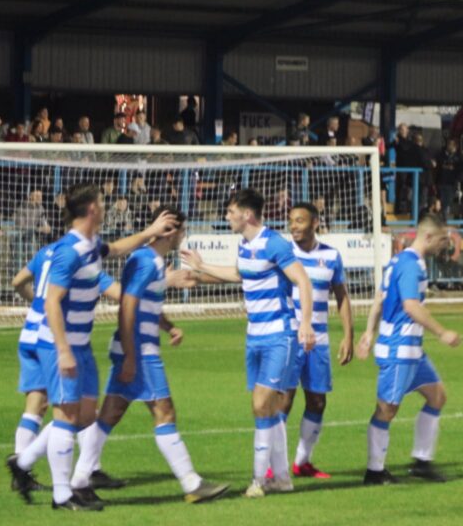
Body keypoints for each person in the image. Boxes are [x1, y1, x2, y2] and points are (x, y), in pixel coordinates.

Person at [6, 184, 181, 510]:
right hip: (60, 344)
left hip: (81, 344)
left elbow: (115, 248)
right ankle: (63, 495)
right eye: (101, 202)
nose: (104, 206)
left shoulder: (89, 245)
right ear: (91, 210)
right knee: (66, 414)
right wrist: (62, 349)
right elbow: (52, 303)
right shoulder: (69, 251)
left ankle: (23, 461)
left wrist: (150, 231)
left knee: (85, 415)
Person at [69, 207, 230, 504]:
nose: (183, 235)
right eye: (181, 230)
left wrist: (168, 327)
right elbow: (128, 306)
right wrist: (132, 356)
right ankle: (192, 483)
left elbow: (145, 305)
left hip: (132, 348)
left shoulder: (150, 260)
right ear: (171, 231)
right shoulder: (146, 261)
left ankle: (79, 480)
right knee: (164, 413)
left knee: (109, 415)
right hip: (140, 352)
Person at [180, 189, 315, 498]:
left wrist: (305, 323)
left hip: (280, 336)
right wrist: (201, 270)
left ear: (247, 215)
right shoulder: (244, 245)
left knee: (259, 405)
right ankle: (281, 478)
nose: (226, 216)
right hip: (254, 336)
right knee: (267, 408)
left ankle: (259, 480)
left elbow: (302, 281)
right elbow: (240, 275)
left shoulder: (275, 243)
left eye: (230, 212)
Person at [356, 213, 461, 485]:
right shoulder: (411, 265)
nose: (443, 245)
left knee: (437, 396)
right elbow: (411, 306)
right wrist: (442, 332)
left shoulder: (400, 261)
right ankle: (374, 471)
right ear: (427, 237)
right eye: (441, 240)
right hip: (399, 348)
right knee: (387, 409)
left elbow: (379, 300)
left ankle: (422, 462)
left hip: (411, 349)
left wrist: (369, 331)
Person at [7, 251, 121, 495]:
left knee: (37, 404)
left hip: (30, 332)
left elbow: (17, 281)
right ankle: (80, 473)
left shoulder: (46, 253)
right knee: (75, 407)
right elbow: (118, 294)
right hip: (52, 337)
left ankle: (22, 472)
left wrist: (36, 301)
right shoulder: (78, 261)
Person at [273, 203, 355, 480]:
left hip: (318, 339)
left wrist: (348, 336)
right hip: (289, 337)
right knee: (284, 400)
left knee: (317, 401)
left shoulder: (331, 256)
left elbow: (342, 296)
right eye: (291, 221)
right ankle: (274, 465)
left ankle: (302, 462)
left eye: (299, 220)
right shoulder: (284, 255)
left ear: (315, 223)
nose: (293, 226)